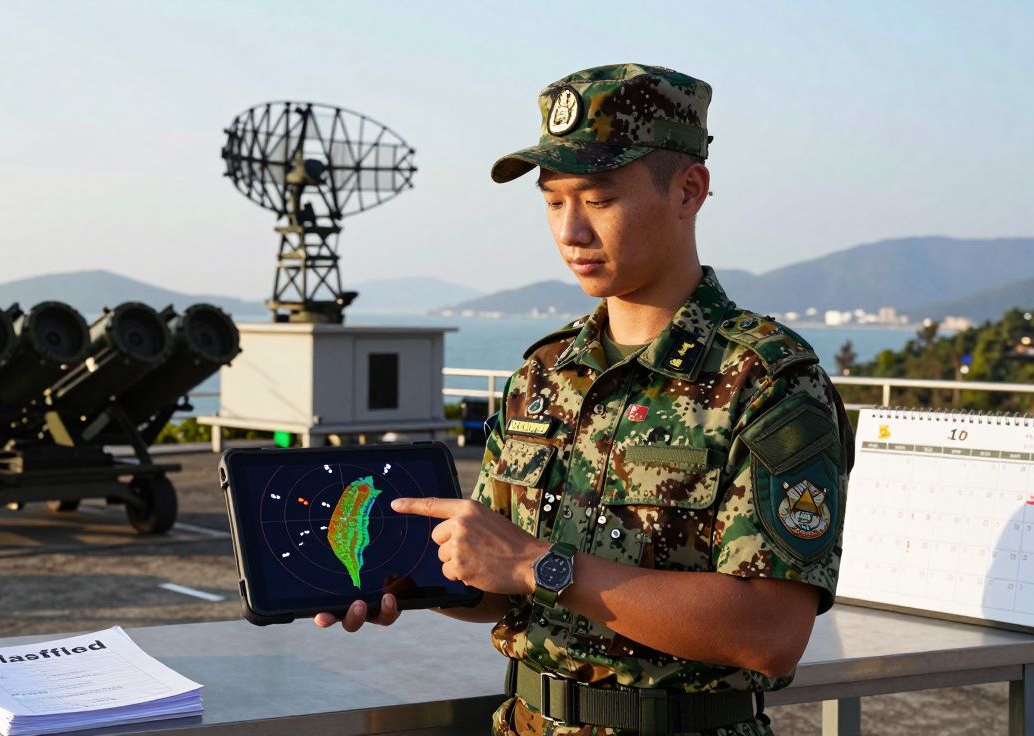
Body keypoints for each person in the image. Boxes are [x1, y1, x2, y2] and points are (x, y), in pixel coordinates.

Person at [316, 63, 854, 736]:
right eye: (553, 201)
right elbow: (500, 585)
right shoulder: (543, 376)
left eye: (598, 198)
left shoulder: (765, 380)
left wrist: (538, 564)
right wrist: (417, 576)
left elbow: (770, 632)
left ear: (688, 191)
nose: (570, 232)